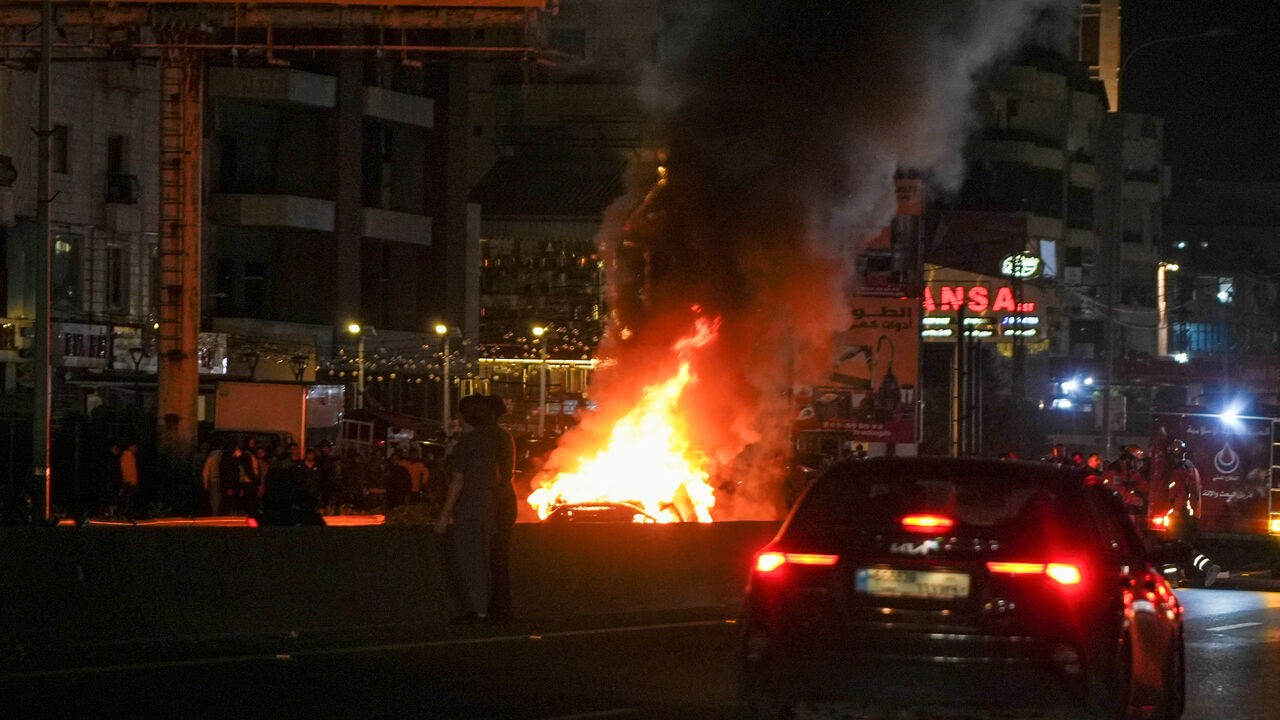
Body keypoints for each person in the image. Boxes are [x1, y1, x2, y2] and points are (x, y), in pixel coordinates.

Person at [435, 394, 504, 624]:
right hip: (486, 509)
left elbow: (457, 481)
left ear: (462, 417)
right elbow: (496, 478)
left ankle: (478, 611)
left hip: (469, 510)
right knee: (482, 560)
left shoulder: (466, 444)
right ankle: (485, 608)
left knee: (470, 561)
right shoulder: (489, 442)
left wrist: (444, 516)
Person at [1163, 439, 1220, 587]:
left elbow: (1180, 494)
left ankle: (1174, 579)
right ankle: (1208, 567)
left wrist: (1175, 512)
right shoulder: (1192, 468)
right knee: (1186, 547)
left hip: (1182, 516)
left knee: (1173, 546)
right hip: (1192, 516)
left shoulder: (1178, 471)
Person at [487, 394, 518, 624]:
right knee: (496, 559)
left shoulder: (497, 438)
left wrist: (492, 510)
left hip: (498, 506)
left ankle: (498, 609)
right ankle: (498, 607)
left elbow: (502, 477)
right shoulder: (497, 437)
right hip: (497, 505)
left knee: (496, 559)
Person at [118, 442, 139, 518]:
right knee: (127, 499)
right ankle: (125, 514)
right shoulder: (127, 455)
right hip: (129, 482)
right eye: (135, 447)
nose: (136, 449)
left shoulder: (130, 456)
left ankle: (128, 513)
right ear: (131, 447)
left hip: (131, 481)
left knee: (129, 499)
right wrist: (127, 480)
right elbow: (127, 469)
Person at [202, 443, 224, 515]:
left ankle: (215, 513)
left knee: (214, 498)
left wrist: (205, 483)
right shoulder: (223, 456)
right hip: (222, 479)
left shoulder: (211, 457)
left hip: (213, 479)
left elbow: (205, 472)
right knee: (221, 497)